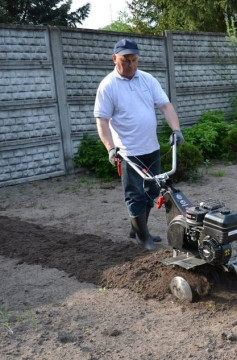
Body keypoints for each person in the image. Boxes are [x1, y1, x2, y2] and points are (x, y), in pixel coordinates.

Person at [94, 39, 184, 250]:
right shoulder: (108, 86)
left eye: (134, 60)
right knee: (135, 195)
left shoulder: (147, 79)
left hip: (151, 148)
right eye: (126, 60)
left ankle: (137, 229)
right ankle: (143, 238)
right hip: (128, 152)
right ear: (115, 59)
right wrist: (110, 148)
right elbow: (102, 121)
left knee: (152, 191)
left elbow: (165, 105)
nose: (131, 65)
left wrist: (176, 129)